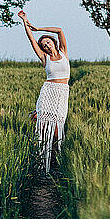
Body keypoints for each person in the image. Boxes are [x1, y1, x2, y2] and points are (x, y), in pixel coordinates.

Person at [18, 10, 70, 173]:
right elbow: (31, 40)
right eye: (44, 45)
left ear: (53, 43)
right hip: (48, 92)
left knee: (57, 128)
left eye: (48, 42)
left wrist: (39, 29)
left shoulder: (63, 52)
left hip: (62, 93)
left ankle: (54, 159)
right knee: (42, 128)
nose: (46, 45)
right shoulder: (44, 58)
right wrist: (25, 21)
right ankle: (41, 162)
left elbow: (60, 30)